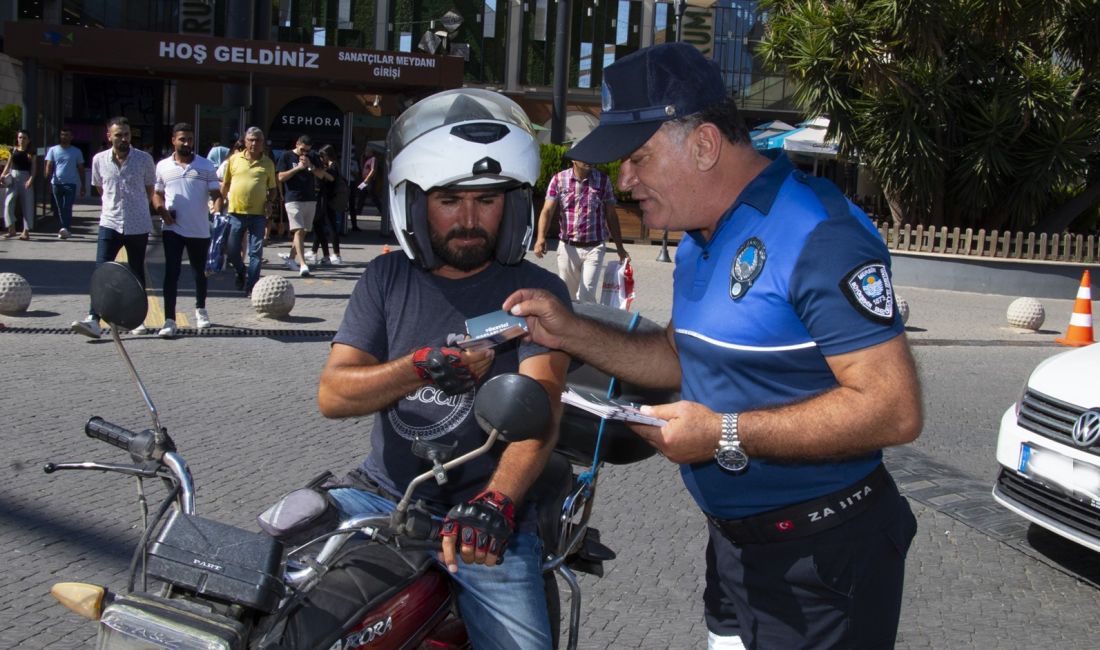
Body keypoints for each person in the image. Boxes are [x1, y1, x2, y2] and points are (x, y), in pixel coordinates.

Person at [504, 42, 922, 650]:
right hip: (732, 549)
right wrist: (570, 331)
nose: (625, 180)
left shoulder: (818, 232)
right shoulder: (700, 236)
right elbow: (678, 355)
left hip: (823, 563)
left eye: (638, 159)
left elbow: (894, 409)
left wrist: (724, 433)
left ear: (703, 145)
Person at [317, 88, 571, 650]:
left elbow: (542, 410)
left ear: (512, 206)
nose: (469, 219)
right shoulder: (385, 279)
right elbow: (334, 395)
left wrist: (497, 502)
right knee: (274, 591)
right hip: (381, 495)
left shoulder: (538, 292)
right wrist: (420, 368)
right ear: (415, 204)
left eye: (487, 200)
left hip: (483, 513)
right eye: (449, 200)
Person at [71, 116, 157, 338]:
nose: (124, 139)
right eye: (119, 135)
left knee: (136, 271)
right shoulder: (99, 160)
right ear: (109, 136)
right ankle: (93, 319)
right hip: (110, 222)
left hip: (137, 224)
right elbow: (101, 189)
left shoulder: (144, 159)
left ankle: (138, 319)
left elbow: (149, 189)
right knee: (102, 271)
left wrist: (138, 207)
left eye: (127, 134)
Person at [151, 123, 222, 337]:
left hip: (199, 229)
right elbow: (157, 194)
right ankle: (169, 319)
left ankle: (200, 309)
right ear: (173, 140)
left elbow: (216, 195)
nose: (186, 143)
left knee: (199, 272)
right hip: (172, 228)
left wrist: (217, 212)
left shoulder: (206, 165)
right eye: (182, 139)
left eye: (190, 139)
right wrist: (161, 210)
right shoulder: (163, 166)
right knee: (171, 272)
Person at [534, 156, 628, 303]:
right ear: (574, 159)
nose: (588, 159)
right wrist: (540, 238)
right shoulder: (559, 179)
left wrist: (620, 248)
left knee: (587, 295)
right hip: (568, 247)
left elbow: (611, 215)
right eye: (583, 156)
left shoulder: (603, 181)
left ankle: (585, 317)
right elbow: (547, 210)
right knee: (567, 296)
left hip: (594, 247)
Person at [221, 127, 277, 296]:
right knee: (232, 251)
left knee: (255, 253)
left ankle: (251, 287)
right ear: (245, 141)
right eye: (251, 140)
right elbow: (225, 184)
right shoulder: (234, 160)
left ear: (263, 143)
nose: (254, 143)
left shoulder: (268, 163)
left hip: (258, 215)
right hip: (235, 212)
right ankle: (240, 271)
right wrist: (221, 202)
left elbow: (273, 188)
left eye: (257, 140)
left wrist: (269, 202)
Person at [276, 134, 327, 277]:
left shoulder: (313, 156)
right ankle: (303, 264)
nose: (304, 153)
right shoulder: (286, 156)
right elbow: (280, 177)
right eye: (302, 149)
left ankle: (291, 259)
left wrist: (310, 166)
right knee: (298, 231)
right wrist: (298, 168)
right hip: (293, 198)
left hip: (310, 198)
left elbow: (321, 175)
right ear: (297, 144)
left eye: (307, 150)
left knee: (303, 231)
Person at [44, 126, 87, 239]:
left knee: (67, 207)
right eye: (62, 135)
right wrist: (47, 181)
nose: (64, 137)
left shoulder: (76, 151)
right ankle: (64, 228)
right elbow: (49, 165)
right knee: (59, 208)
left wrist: (83, 185)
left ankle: (65, 228)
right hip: (56, 183)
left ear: (71, 137)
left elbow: (81, 168)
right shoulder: (53, 150)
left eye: (67, 135)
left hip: (70, 184)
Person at [307, 143, 345, 266]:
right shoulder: (329, 165)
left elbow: (332, 178)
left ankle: (336, 254)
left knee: (330, 226)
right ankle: (314, 251)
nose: (321, 159)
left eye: (322, 156)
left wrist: (322, 172)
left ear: (327, 155)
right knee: (319, 225)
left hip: (329, 200)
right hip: (325, 198)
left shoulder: (333, 165)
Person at [1, 130, 37, 241]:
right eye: (20, 137)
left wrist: (31, 180)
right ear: (17, 138)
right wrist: (2, 175)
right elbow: (8, 165)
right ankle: (11, 229)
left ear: (28, 140)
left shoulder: (31, 152)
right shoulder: (13, 150)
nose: (22, 140)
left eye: (24, 138)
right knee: (8, 203)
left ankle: (26, 231)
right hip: (13, 178)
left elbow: (34, 168)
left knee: (27, 205)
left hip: (25, 178)